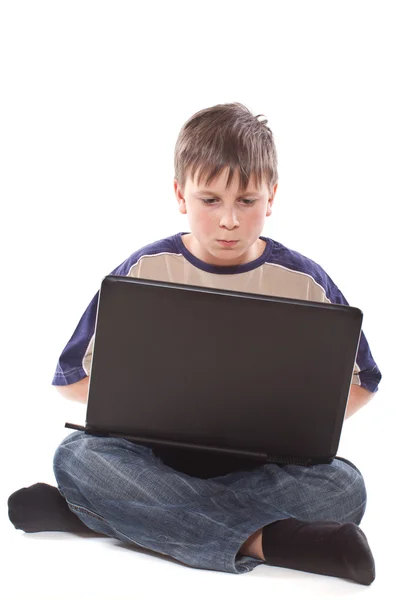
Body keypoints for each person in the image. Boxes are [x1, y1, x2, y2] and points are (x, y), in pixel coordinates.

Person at [8, 102, 382, 585]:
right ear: (180, 194)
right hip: (151, 457)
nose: (229, 220)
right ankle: (268, 541)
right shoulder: (143, 270)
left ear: (271, 197)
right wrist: (143, 409)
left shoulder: (305, 281)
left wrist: (295, 429)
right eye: (210, 200)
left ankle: (99, 513)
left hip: (258, 466)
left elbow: (362, 382)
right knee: (77, 456)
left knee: (344, 488)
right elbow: (72, 377)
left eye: (246, 201)